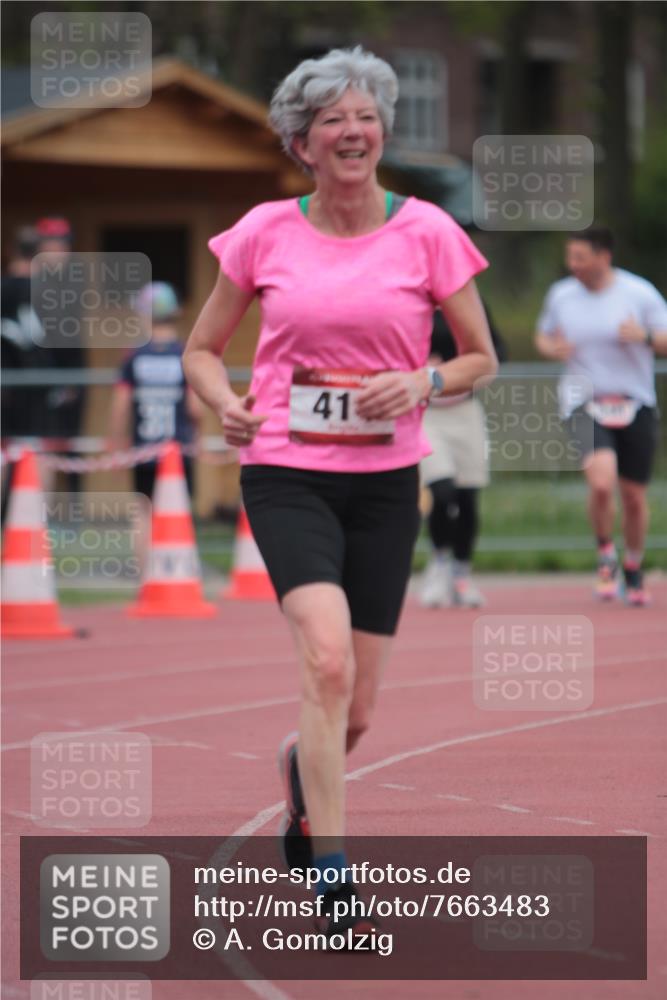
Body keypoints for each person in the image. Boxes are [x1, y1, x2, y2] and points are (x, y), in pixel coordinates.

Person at [183, 46, 497, 938]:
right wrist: (225, 403)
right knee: (324, 660)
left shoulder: (429, 230)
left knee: (354, 710)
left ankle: (300, 778)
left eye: (364, 117)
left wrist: (425, 384)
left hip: (386, 482)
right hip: (286, 470)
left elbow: (480, 356)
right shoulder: (263, 232)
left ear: (382, 131)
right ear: (302, 143)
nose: (352, 132)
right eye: (331, 121)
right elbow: (202, 349)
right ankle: (331, 874)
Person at [535, 226, 667, 606]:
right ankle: (606, 553)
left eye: (580, 257)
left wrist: (643, 337)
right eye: (569, 257)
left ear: (603, 257)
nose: (572, 265)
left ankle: (634, 564)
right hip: (582, 401)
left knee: (634, 497)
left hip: (635, 401)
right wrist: (552, 348)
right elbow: (543, 336)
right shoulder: (561, 295)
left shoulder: (638, 293)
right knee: (601, 482)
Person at [420, 300, 507, 608]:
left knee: (468, 497)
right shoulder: (410, 301)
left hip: (465, 410)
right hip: (426, 413)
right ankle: (439, 562)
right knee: (442, 492)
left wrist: (461, 372)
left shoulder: (469, 303)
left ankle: (461, 573)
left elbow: (496, 352)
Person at [108, 282, 201, 499]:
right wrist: (198, 438)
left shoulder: (134, 356)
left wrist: (116, 445)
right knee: (176, 512)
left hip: (144, 450)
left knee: (143, 511)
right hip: (178, 451)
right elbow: (195, 409)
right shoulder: (185, 354)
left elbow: (120, 407)